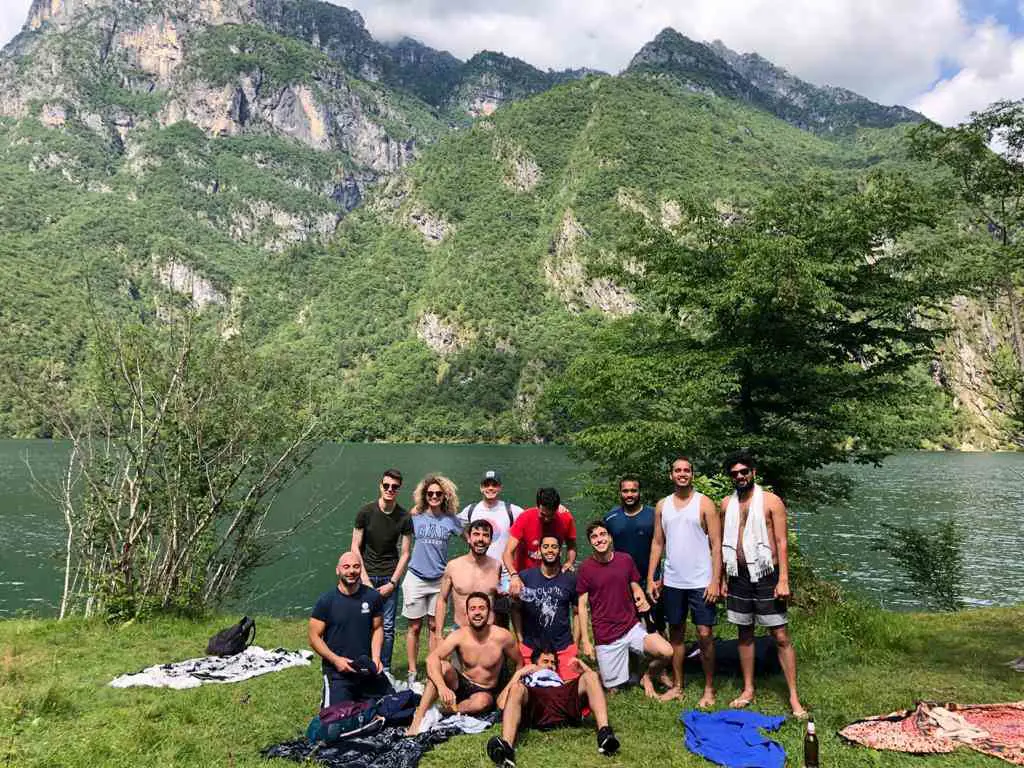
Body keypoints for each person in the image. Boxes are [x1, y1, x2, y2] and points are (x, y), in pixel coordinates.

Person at [720, 450, 806, 718]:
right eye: (734, 473)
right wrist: (722, 578)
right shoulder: (726, 504)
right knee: (744, 633)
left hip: (767, 574)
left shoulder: (771, 501)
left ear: (753, 472)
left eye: (744, 471)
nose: (740, 476)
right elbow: (723, 543)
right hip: (738, 575)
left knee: (780, 635)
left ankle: (793, 697)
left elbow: (781, 542)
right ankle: (748, 689)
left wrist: (784, 579)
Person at [648, 456, 723, 705]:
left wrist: (715, 581)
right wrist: (651, 577)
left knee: (704, 633)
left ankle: (709, 689)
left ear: (692, 474)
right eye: (677, 470)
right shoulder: (663, 505)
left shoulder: (705, 503)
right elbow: (657, 543)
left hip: (701, 581)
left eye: (686, 470)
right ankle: (678, 686)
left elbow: (717, 545)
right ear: (671, 475)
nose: (682, 474)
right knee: (676, 634)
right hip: (673, 581)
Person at [577, 520, 672, 696]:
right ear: (590, 542)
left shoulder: (625, 560)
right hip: (606, 635)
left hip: (631, 627)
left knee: (667, 652)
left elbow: (635, 586)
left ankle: (647, 676)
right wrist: (586, 641)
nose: (599, 539)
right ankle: (608, 671)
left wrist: (640, 596)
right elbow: (582, 606)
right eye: (594, 537)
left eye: (603, 534)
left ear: (610, 538)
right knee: (614, 690)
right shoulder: (585, 568)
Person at [408, 592, 523, 735]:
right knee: (441, 666)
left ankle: (442, 711)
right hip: (462, 683)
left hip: (485, 691)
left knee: (482, 702)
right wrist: (442, 687)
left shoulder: (503, 637)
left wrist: (508, 690)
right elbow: (431, 658)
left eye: (482, 608)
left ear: (489, 612)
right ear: (467, 614)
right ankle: (418, 719)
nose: (477, 612)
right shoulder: (459, 635)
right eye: (473, 609)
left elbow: (519, 664)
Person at [487, 650, 619, 768]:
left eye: (553, 663)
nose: (550, 665)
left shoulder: (563, 682)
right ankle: (506, 748)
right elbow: (501, 704)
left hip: (561, 697)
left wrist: (585, 669)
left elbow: (595, 684)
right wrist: (519, 674)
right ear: (534, 665)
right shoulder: (525, 681)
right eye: (545, 661)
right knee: (516, 688)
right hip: (536, 699)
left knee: (591, 675)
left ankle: (605, 734)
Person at [351, 468, 413, 679]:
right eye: (386, 485)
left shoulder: (404, 517)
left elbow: (405, 553)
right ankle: (363, 665)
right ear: (380, 485)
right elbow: (355, 547)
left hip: (389, 576)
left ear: (399, 489)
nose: (390, 489)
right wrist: (364, 579)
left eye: (394, 487)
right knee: (363, 622)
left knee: (387, 626)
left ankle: (384, 670)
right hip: (365, 575)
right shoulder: (365, 512)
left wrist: (393, 583)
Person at [308, 552, 393, 706]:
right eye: (346, 567)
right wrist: (336, 660)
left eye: (356, 566)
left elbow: (378, 628)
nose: (351, 571)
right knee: (336, 717)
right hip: (338, 672)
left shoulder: (373, 597)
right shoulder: (326, 601)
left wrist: (376, 658)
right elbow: (314, 637)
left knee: (394, 707)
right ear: (338, 570)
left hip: (366, 668)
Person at [403, 474, 463, 690]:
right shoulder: (415, 516)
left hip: (439, 580)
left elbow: (470, 537)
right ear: (424, 495)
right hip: (416, 577)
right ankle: (412, 671)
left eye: (438, 493)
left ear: (445, 495)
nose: (434, 496)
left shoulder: (450, 520)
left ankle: (432, 668)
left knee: (434, 625)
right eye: (430, 493)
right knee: (414, 627)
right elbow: (400, 535)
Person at [459, 470, 524, 628]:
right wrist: (469, 540)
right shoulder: (471, 510)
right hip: (479, 572)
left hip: (503, 575)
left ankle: (506, 643)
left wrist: (559, 508)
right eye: (486, 485)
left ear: (500, 487)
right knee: (478, 613)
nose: (490, 488)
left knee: (502, 618)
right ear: (481, 488)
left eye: (494, 485)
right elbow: (455, 524)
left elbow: (532, 517)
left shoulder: (511, 510)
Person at [511, 534, 579, 681]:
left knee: (569, 687)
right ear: (539, 551)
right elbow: (516, 609)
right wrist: (520, 640)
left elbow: (576, 612)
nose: (550, 550)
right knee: (532, 687)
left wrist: (575, 643)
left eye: (554, 547)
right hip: (532, 648)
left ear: (560, 551)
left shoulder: (570, 579)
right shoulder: (525, 577)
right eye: (546, 547)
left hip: (563, 646)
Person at [604, 475, 663, 633]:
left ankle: (661, 647)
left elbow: (665, 545)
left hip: (651, 580)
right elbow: (604, 550)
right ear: (620, 493)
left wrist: (662, 578)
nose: (629, 495)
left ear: (639, 492)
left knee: (656, 626)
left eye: (633, 491)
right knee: (627, 628)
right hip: (623, 582)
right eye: (625, 491)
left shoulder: (653, 515)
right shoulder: (610, 518)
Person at [434, 519, 501, 641]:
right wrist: (438, 636)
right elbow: (442, 600)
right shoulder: (453, 566)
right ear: (469, 538)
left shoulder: (497, 566)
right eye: (476, 534)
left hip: (489, 633)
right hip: (460, 631)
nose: (481, 539)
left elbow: (498, 599)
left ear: (491, 540)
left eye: (486, 535)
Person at [505, 488, 577, 598]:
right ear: (537, 506)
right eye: (543, 515)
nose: (547, 519)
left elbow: (571, 545)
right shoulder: (525, 518)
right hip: (525, 579)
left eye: (551, 515)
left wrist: (569, 562)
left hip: (552, 577)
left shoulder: (565, 518)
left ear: (557, 508)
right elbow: (507, 552)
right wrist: (514, 575)